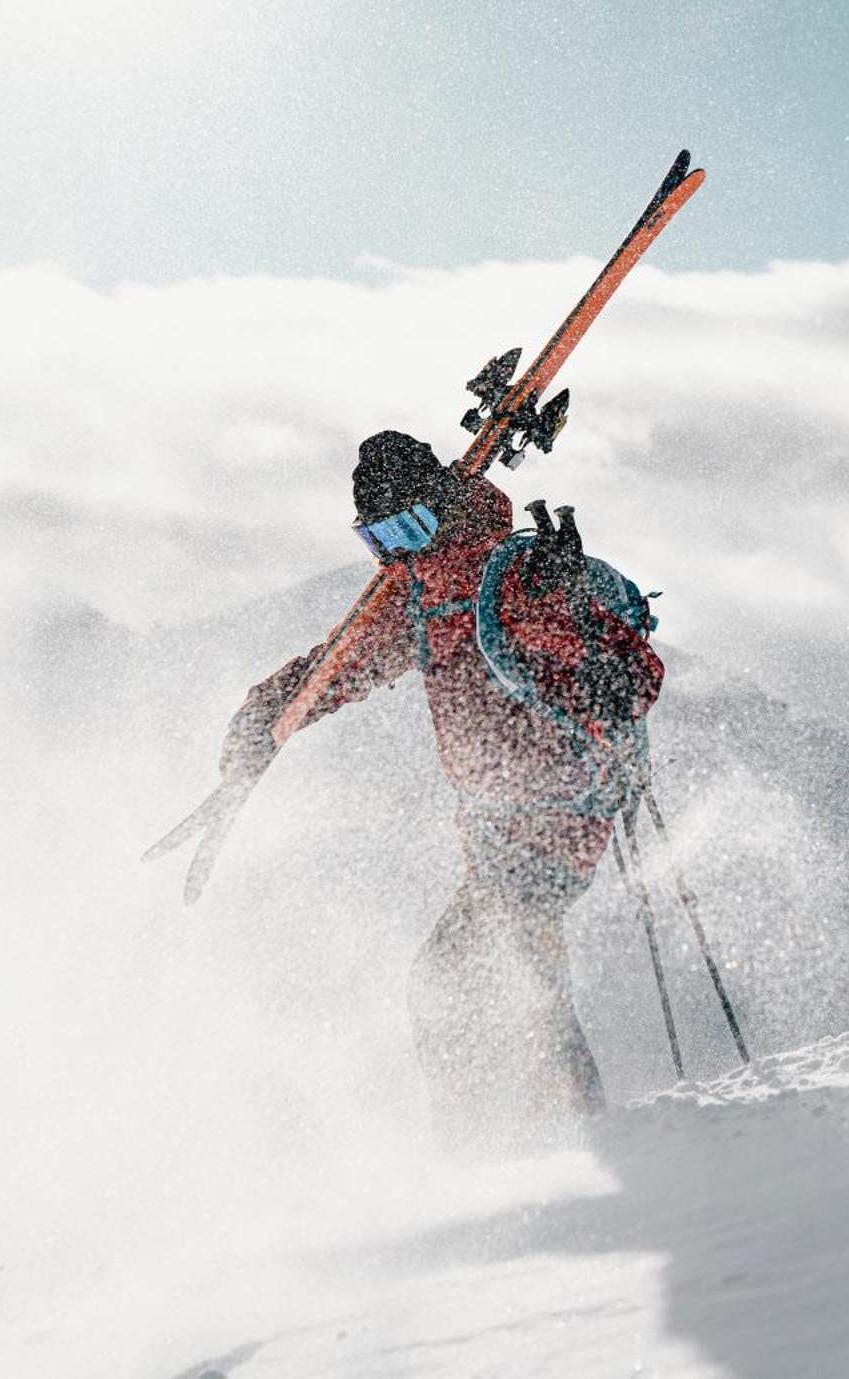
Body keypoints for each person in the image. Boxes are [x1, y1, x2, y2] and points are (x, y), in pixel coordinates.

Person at [223, 430, 665, 1139]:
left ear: (441, 508)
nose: (401, 551)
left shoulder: (513, 575)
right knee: (479, 979)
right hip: (494, 832)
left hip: (557, 811)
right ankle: (512, 1133)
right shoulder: (416, 600)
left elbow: (634, 667)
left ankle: (541, 1139)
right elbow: (337, 668)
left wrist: (596, 662)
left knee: (484, 976)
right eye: (381, 539)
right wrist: (260, 722)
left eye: (413, 528)